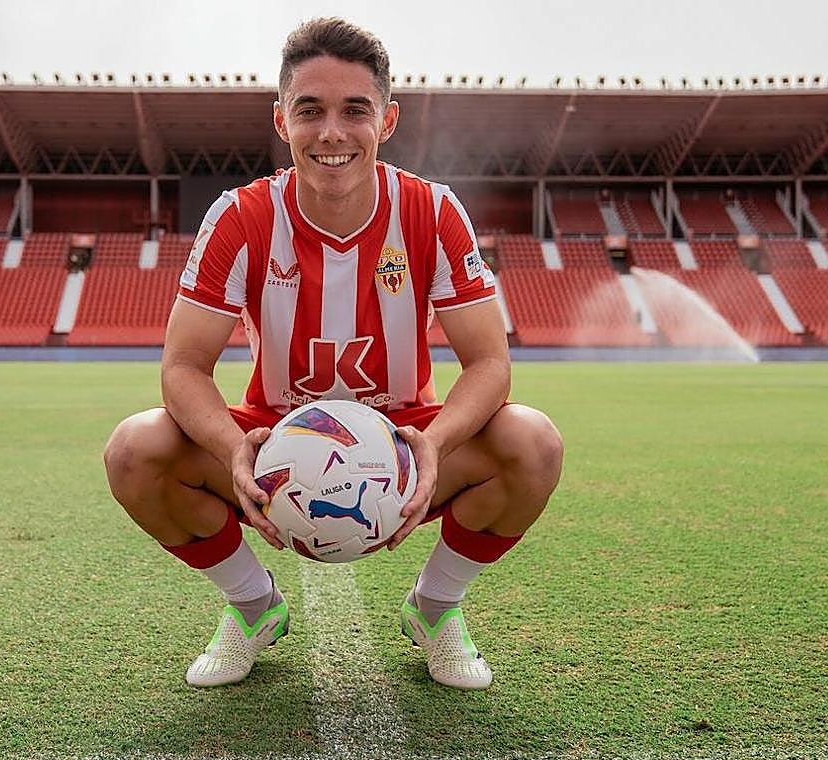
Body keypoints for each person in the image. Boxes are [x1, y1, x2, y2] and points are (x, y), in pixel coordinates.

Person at [104, 17, 563, 689]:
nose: (332, 133)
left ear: (388, 120)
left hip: (405, 446)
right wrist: (235, 449)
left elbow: (489, 363)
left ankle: (436, 610)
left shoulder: (432, 213)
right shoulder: (241, 217)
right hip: (271, 450)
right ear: (281, 120)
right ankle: (252, 605)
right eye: (309, 110)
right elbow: (182, 367)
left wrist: (433, 445)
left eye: (356, 110)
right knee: (134, 450)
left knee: (534, 442)